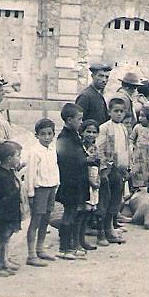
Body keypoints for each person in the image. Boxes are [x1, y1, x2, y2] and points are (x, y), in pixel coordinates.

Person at [55, 104, 90, 259]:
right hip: (70, 183)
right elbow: (68, 160)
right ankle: (64, 248)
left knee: (75, 213)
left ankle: (72, 245)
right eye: (79, 119)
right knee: (69, 214)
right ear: (69, 120)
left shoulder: (74, 135)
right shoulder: (64, 137)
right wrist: (87, 158)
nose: (81, 122)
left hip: (77, 181)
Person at [24, 118, 60, 267]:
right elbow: (30, 174)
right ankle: (31, 254)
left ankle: (40, 249)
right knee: (36, 221)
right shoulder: (34, 152)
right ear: (36, 135)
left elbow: (55, 167)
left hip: (51, 187)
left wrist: (57, 184)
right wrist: (31, 193)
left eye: (49, 134)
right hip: (39, 190)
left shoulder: (52, 149)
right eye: (43, 134)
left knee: (46, 220)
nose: (46, 137)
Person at [95, 97, 130, 245]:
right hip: (108, 170)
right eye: (116, 111)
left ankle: (110, 229)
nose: (119, 114)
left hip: (120, 170)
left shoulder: (123, 128)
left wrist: (128, 168)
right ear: (109, 112)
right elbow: (99, 148)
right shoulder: (104, 128)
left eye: (122, 111)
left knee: (115, 201)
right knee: (104, 201)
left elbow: (126, 149)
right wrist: (104, 169)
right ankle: (101, 233)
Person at [0, 141, 23, 275]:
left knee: (6, 238)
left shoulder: (9, 172)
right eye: (18, 156)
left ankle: (3, 262)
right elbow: (3, 196)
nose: (19, 159)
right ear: (9, 159)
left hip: (10, 213)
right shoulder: (1, 176)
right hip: (2, 215)